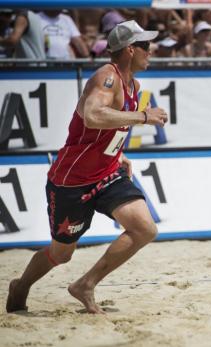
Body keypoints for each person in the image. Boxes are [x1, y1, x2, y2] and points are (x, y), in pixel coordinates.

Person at [6, 20, 168, 314]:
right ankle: (22, 285)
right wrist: (144, 117)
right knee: (61, 253)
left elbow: (107, 128)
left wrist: (118, 155)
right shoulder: (107, 77)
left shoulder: (134, 84)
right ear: (130, 50)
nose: (150, 50)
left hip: (106, 174)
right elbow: (93, 115)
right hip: (72, 181)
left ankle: (86, 285)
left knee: (144, 228)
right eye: (145, 46)